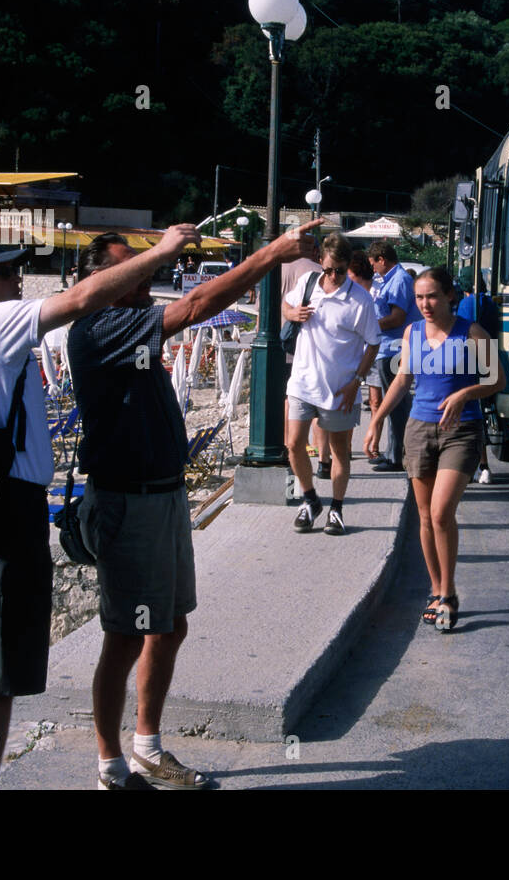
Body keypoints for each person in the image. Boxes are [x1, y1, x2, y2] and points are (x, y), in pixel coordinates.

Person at [0, 226, 196, 790]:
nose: (18, 280)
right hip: (4, 519)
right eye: (4, 272)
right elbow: (77, 300)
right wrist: (162, 254)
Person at [70, 218, 322, 791]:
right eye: (127, 271)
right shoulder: (99, 327)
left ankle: (146, 747)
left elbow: (196, 302)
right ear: (97, 284)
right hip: (128, 501)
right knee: (125, 633)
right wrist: (273, 255)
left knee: (170, 626)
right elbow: (198, 304)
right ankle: (112, 763)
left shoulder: (125, 322)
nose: (141, 281)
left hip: (161, 497)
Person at [365, 266, 505, 631]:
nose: (425, 304)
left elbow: (497, 380)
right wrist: (377, 420)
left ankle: (449, 592)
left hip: (462, 430)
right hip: (419, 429)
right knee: (425, 517)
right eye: (419, 298)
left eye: (432, 297)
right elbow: (403, 378)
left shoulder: (471, 332)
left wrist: (464, 393)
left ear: (449, 297)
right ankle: (437, 588)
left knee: (442, 512)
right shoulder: (412, 331)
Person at [283, 233, 380, 536]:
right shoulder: (309, 283)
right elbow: (285, 306)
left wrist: (357, 382)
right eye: (328, 269)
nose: (333, 276)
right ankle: (310, 499)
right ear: (320, 263)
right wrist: (293, 313)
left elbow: (373, 344)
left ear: (348, 265)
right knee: (294, 444)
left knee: (340, 451)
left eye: (339, 270)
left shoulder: (360, 300)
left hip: (340, 387)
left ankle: (336, 508)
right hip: (302, 381)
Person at [367, 240, 422, 471]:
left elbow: (398, 317)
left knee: (396, 405)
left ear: (382, 259)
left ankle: (398, 456)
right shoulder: (391, 279)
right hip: (390, 347)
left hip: (395, 348)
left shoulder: (399, 280)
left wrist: (370, 325)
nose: (373, 269)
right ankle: (394, 453)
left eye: (373, 264)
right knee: (396, 405)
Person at [280, 229, 329, 476]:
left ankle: (289, 446)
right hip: (303, 344)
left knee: (286, 398)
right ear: (315, 250)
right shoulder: (315, 272)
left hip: (277, 340)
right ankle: (320, 456)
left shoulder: (276, 267)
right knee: (310, 399)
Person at [457, 273, 500, 484]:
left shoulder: (467, 303)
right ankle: (483, 466)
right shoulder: (491, 302)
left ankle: (480, 465)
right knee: (483, 412)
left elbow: (463, 332)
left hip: (472, 362)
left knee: (473, 415)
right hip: (491, 358)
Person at [348, 250, 384, 457]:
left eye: (349, 272)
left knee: (376, 401)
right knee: (352, 399)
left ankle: (375, 444)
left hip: (374, 352)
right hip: (354, 352)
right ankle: (347, 444)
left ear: (357, 272)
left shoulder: (378, 292)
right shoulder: (349, 293)